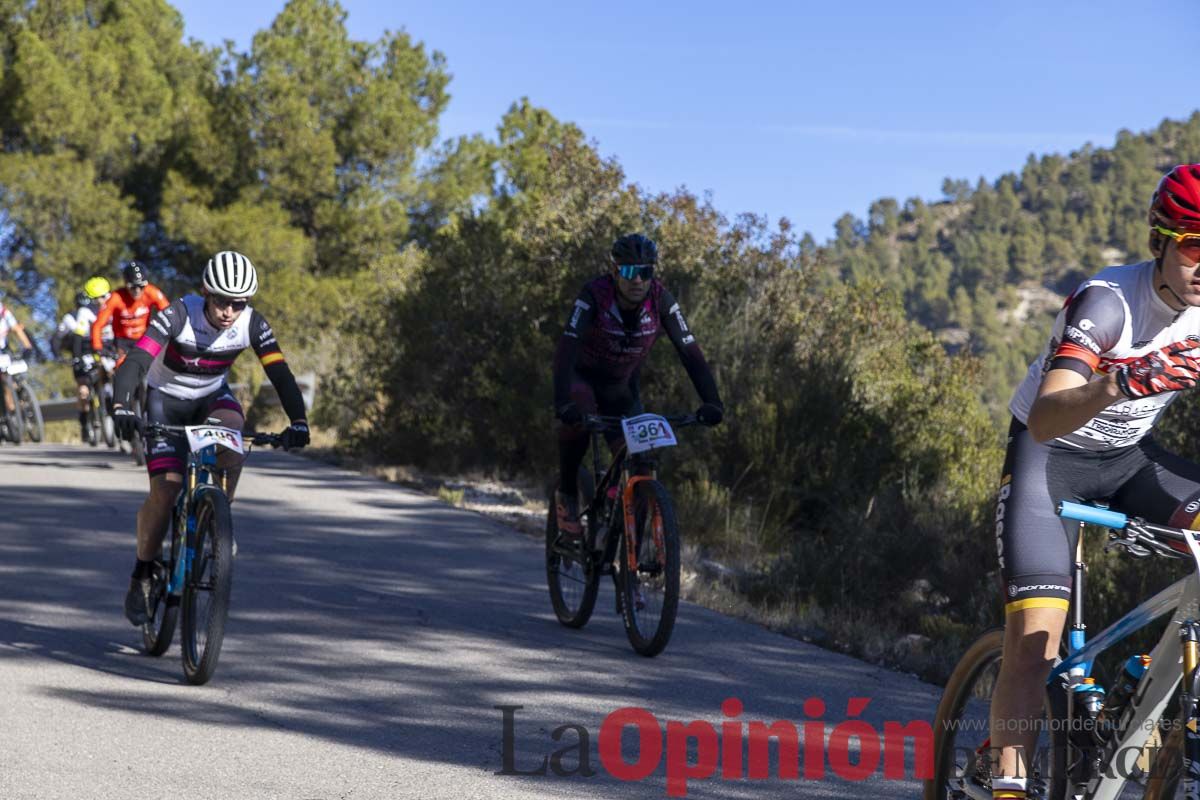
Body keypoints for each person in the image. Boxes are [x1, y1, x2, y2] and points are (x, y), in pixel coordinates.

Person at [988, 164, 1200, 799]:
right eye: (1195, 245)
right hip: (1048, 458)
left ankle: (1157, 724)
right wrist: (1123, 380)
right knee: (1034, 642)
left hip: (1129, 458)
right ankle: (1007, 782)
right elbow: (1048, 417)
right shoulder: (1107, 302)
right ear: (1159, 242)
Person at [110, 251, 310, 626]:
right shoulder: (178, 314)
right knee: (166, 490)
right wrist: (121, 406)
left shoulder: (252, 323)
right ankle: (142, 573)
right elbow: (137, 361)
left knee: (234, 433)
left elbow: (281, 374)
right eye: (220, 300)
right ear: (206, 292)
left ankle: (219, 519)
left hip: (212, 398)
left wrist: (298, 420)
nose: (228, 311)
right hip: (164, 400)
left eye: (238, 303)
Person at [551, 233, 724, 540]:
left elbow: (689, 351)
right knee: (578, 417)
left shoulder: (661, 300)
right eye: (630, 271)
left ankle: (624, 547)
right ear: (615, 271)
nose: (638, 280)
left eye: (645, 271)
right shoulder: (594, 295)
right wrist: (562, 401)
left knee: (640, 461)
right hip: (584, 379)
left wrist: (712, 402)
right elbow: (567, 346)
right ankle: (567, 494)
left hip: (621, 388)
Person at [55, 277, 112, 443]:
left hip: (102, 350)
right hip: (82, 352)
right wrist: (69, 356)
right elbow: (62, 339)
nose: (97, 302)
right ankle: (85, 422)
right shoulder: (74, 316)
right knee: (83, 391)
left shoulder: (109, 308)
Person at [91, 261, 169, 358]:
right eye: (133, 287)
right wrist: (97, 347)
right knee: (122, 367)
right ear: (126, 283)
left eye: (141, 286)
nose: (137, 291)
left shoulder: (152, 292)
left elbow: (169, 315)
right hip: (122, 342)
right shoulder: (116, 297)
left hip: (145, 338)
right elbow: (98, 324)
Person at [0, 294, 37, 419]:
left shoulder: (4, 312)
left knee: (14, 375)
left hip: (4, 350)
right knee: (4, 384)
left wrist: (28, 347)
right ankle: (9, 412)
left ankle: (19, 399)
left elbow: (17, 329)